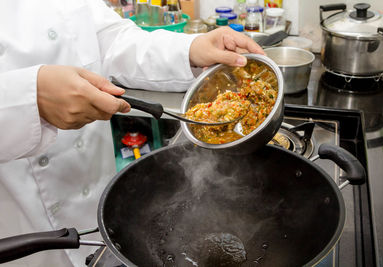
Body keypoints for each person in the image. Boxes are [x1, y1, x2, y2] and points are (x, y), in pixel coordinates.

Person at [0, 0, 264, 266]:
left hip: (101, 211)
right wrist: (26, 99)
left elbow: (112, 40)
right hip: (22, 234)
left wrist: (190, 48)